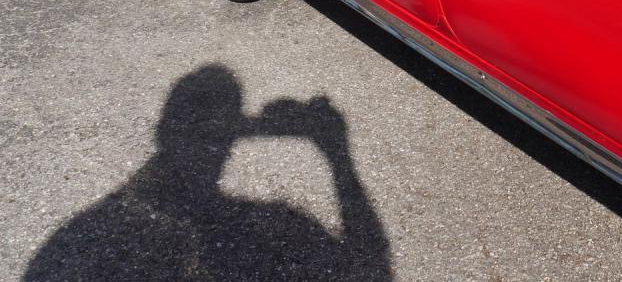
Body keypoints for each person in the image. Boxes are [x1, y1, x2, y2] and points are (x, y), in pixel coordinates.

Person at [23, 65, 391, 281]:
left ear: (163, 129)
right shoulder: (280, 220)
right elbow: (370, 264)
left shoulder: (77, 237)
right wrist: (336, 152)